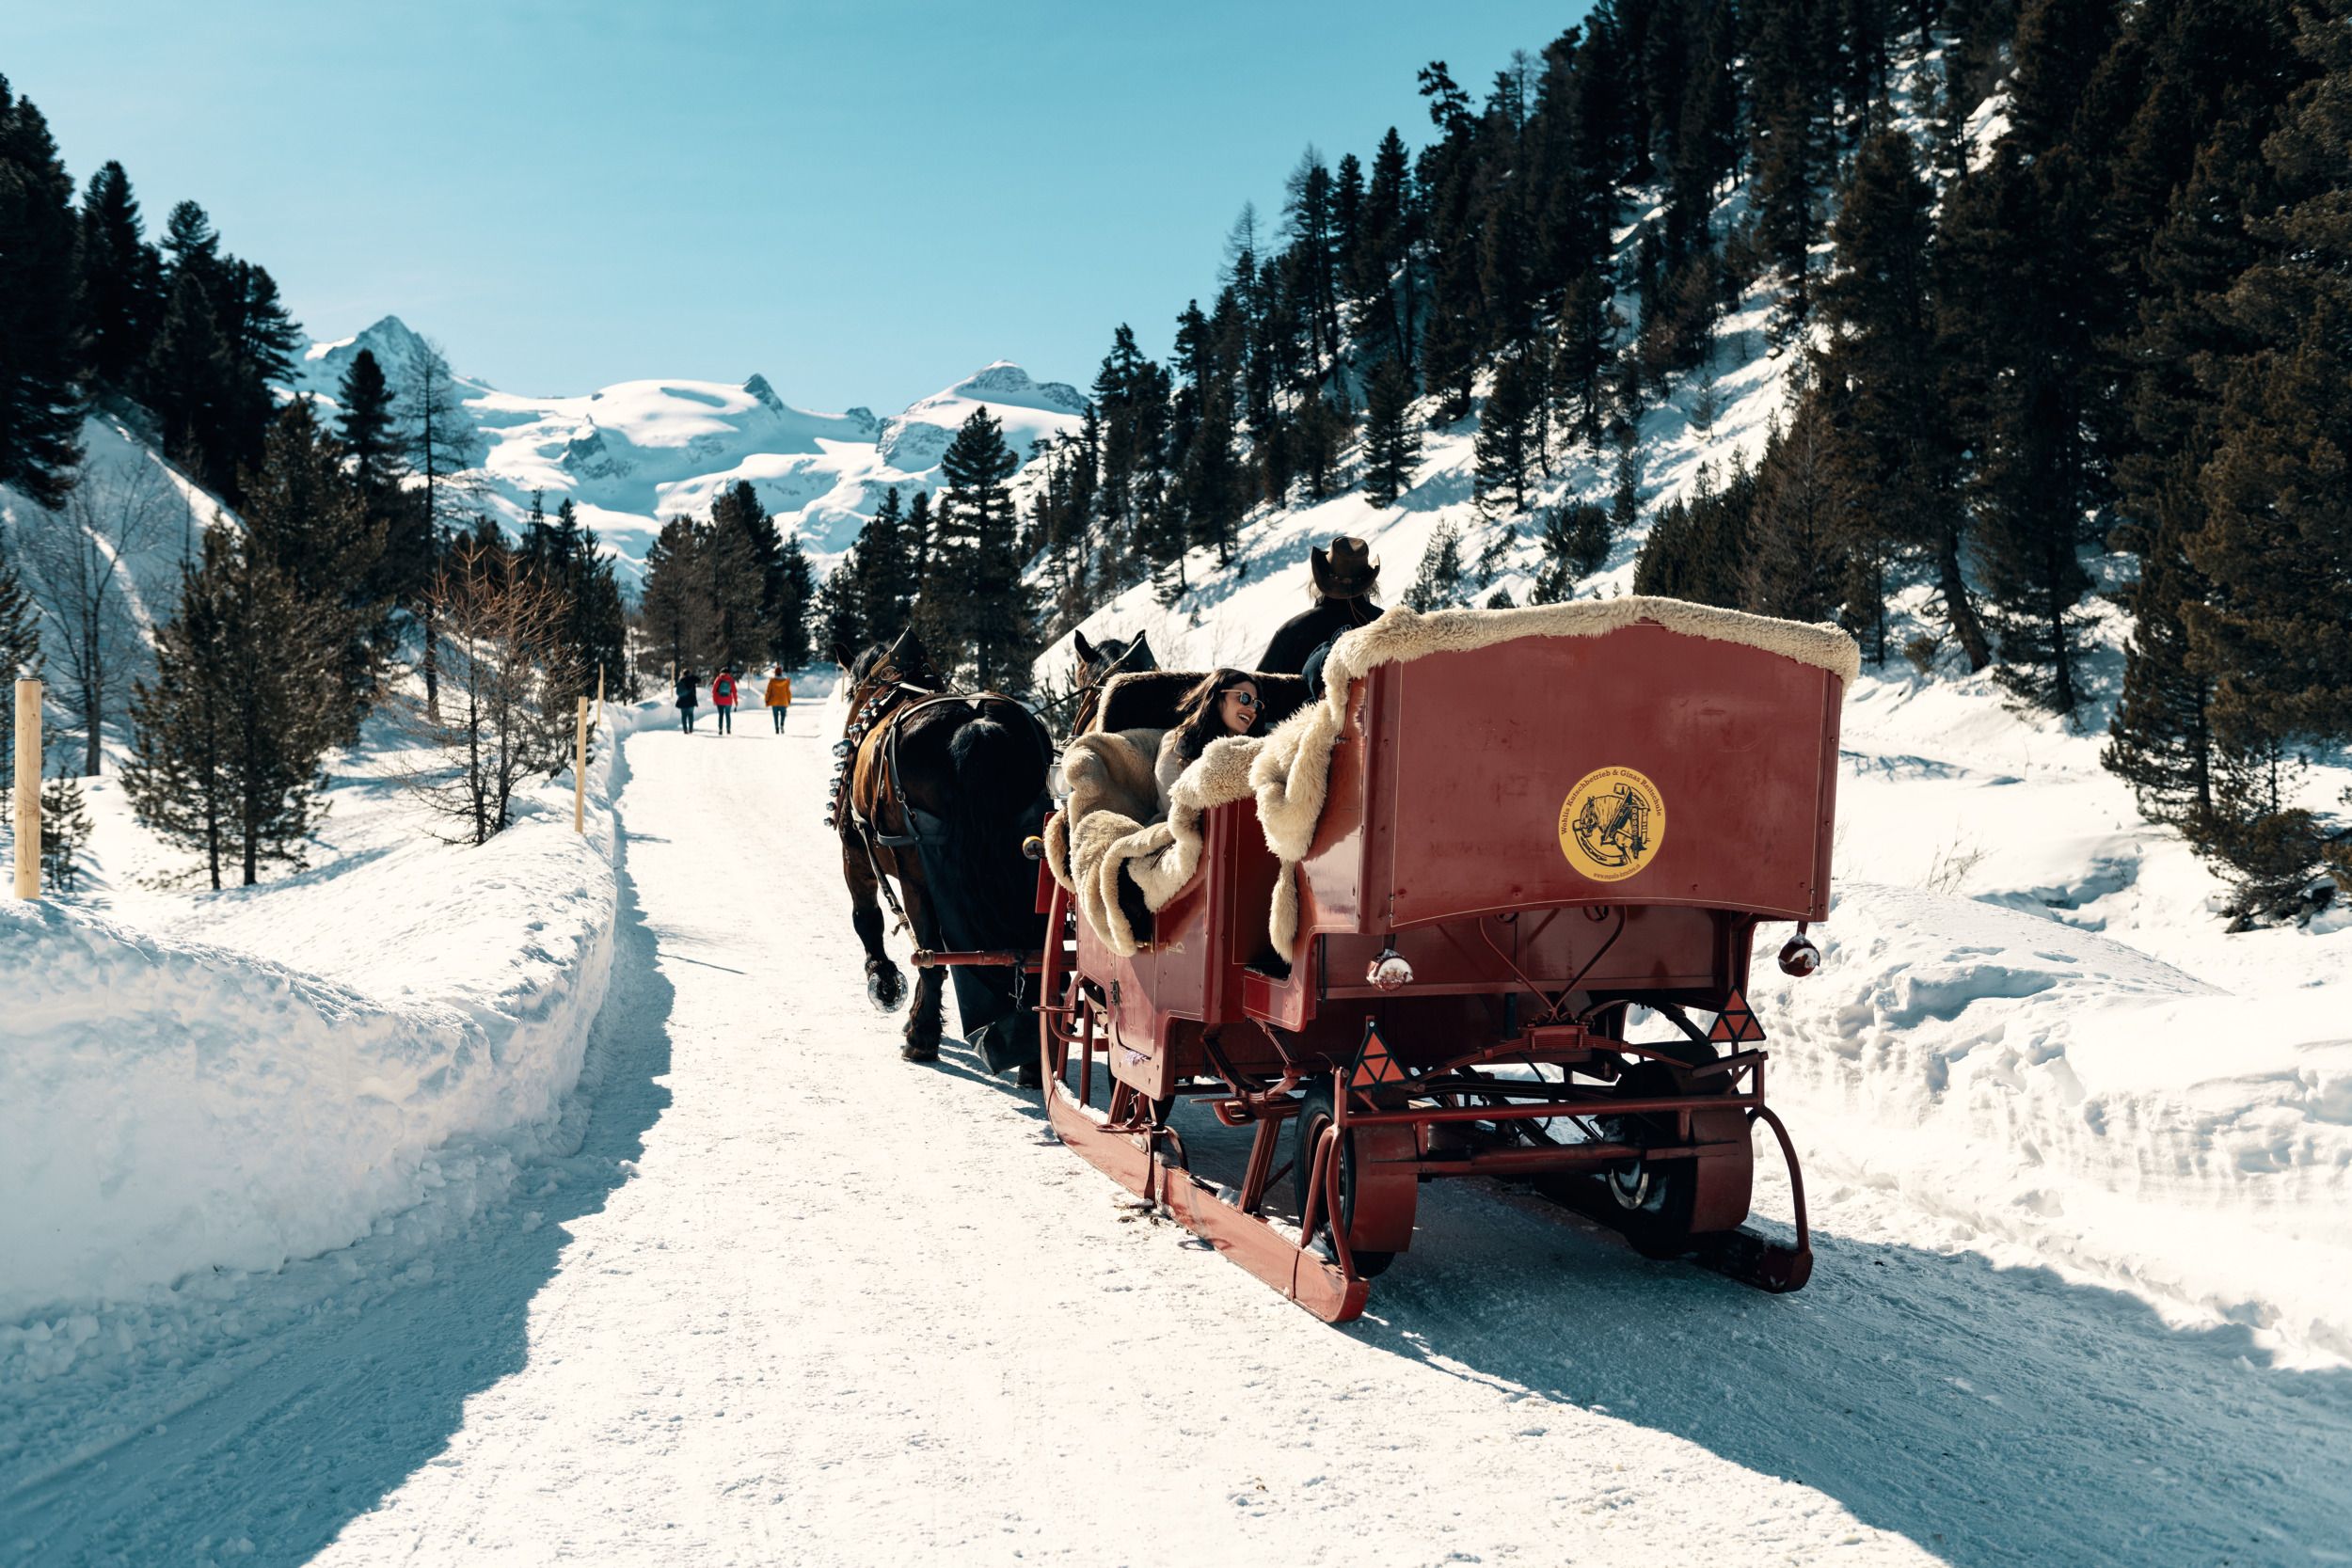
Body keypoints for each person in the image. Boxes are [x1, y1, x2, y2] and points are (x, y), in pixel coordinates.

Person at [1259, 535, 1382, 675]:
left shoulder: (1293, 631)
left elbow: (1259, 688)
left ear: (1321, 577)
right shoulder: (1392, 626)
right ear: (1369, 582)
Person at [1154, 668, 1263, 809]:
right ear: (1217, 697)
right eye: (1244, 698)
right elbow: (1174, 805)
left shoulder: (1255, 750)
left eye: (1256, 704)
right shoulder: (1179, 741)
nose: (1252, 709)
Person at [764, 665, 793, 734]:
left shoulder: (772, 681)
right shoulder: (785, 681)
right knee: (783, 714)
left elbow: (768, 691)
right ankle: (782, 725)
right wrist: (789, 700)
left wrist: (766, 699)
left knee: (775, 716)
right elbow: (788, 691)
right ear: (781, 672)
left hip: (774, 701)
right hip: (783, 701)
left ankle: (777, 728)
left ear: (775, 673)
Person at [711, 667, 739, 735]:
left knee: (721, 715)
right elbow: (734, 691)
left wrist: (714, 700)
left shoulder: (718, 679)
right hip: (728, 700)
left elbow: (714, 690)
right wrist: (736, 701)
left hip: (719, 700)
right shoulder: (731, 680)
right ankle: (728, 729)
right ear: (728, 673)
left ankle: (720, 729)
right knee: (728, 714)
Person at [674, 668, 699, 733]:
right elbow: (699, 680)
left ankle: (685, 730)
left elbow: (675, 687)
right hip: (691, 700)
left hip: (682, 701)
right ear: (689, 674)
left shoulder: (681, 680)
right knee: (690, 715)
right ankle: (690, 729)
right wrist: (692, 676)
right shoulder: (692, 680)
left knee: (684, 716)